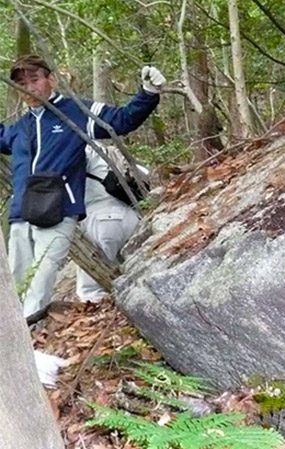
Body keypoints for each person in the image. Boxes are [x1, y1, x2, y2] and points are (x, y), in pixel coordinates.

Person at [0, 54, 165, 322]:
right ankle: (14, 340)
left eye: (34, 80)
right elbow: (2, 138)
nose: (28, 89)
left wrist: (148, 93)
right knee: (16, 279)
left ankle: (26, 343)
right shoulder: (22, 127)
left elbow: (122, 120)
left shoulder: (76, 111)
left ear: (50, 79)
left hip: (58, 209)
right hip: (21, 213)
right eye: (21, 84)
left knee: (42, 277)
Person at [75, 144, 143, 303]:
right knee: (137, 276)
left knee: (93, 294)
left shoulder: (73, 148)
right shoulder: (106, 148)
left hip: (99, 223)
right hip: (132, 217)